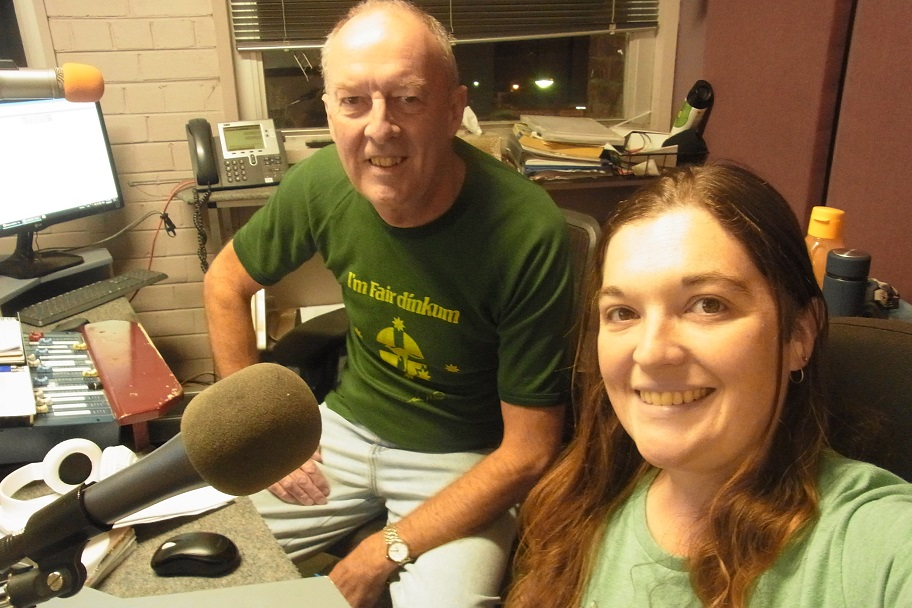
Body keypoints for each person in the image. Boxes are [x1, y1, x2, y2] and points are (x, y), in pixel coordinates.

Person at [203, 1, 573, 606]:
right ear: (330, 111)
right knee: (184, 560)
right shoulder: (321, 183)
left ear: (453, 110)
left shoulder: (527, 231)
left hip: (464, 461)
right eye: (353, 101)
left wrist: (384, 549)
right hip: (341, 435)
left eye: (407, 99)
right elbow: (225, 283)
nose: (379, 128)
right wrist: (260, 437)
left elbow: (529, 453)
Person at [506, 163, 912, 608]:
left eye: (707, 305)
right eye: (623, 313)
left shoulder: (873, 542)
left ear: (799, 334)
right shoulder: (577, 504)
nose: (650, 353)